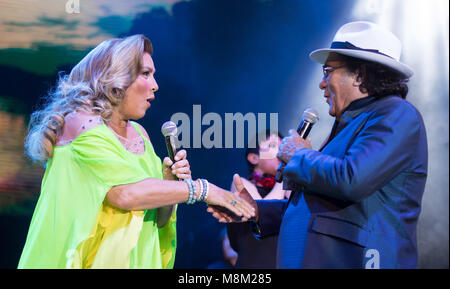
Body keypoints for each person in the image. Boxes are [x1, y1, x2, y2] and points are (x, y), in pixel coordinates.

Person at [19, 34, 255, 269]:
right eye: (145, 74)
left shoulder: (140, 133)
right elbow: (124, 195)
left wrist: (168, 181)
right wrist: (205, 190)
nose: (155, 85)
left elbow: (160, 220)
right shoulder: (79, 122)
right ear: (114, 77)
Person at [208, 21, 428, 269]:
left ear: (360, 75)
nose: (322, 83)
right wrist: (256, 210)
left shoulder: (396, 114)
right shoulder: (349, 126)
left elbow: (352, 178)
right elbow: (318, 208)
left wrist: (299, 154)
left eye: (328, 71)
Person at [224, 130, 290, 268]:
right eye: (273, 146)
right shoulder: (241, 185)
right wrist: (284, 174)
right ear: (254, 158)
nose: (281, 151)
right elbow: (261, 210)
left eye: (282, 146)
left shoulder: (288, 186)